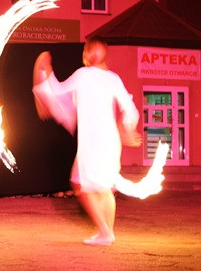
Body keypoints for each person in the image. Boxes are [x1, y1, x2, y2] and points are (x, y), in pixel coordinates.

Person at [32, 38, 141, 246]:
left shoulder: (83, 75)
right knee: (105, 188)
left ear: (88, 53)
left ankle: (104, 231)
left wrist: (46, 72)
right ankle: (107, 232)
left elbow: (58, 92)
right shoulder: (113, 78)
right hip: (110, 141)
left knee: (80, 183)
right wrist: (129, 129)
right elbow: (129, 107)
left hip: (93, 141)